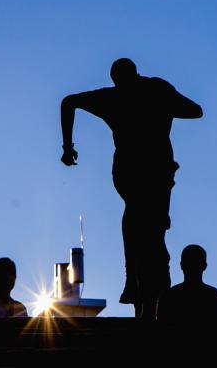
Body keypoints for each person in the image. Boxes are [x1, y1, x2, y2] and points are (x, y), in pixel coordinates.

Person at [60, 58, 203, 320]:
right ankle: (137, 280)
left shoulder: (120, 96)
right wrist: (67, 147)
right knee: (145, 221)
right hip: (143, 171)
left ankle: (141, 283)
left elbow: (195, 110)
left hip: (152, 171)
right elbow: (194, 110)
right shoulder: (146, 91)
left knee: (151, 228)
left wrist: (67, 148)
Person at [157, 245, 217, 324]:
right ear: (204, 266)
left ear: (181, 265)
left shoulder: (169, 297)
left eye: (195, 262)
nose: (192, 266)